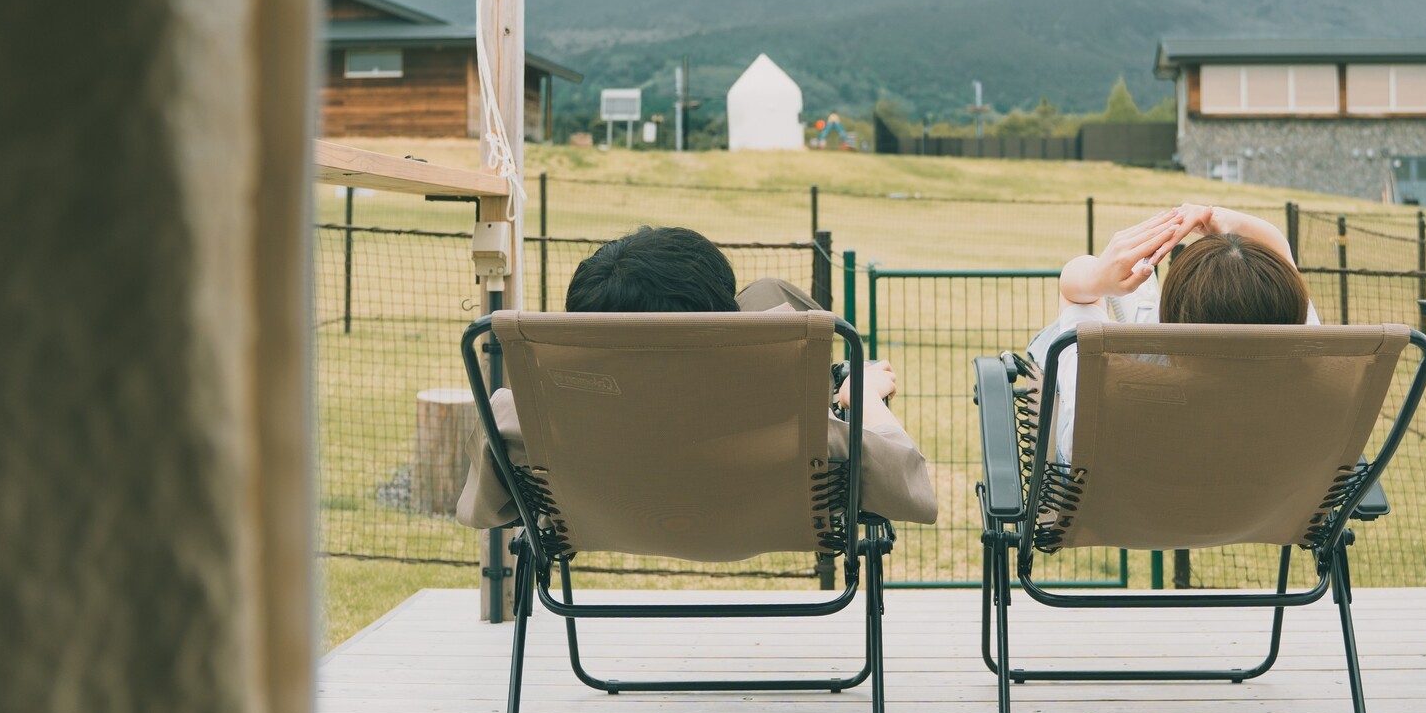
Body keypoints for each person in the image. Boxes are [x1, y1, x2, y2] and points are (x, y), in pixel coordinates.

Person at [457, 225, 937, 530]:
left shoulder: (521, 421)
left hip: (608, 515)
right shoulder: (803, 438)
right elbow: (910, 489)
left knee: (769, 295)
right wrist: (862, 395)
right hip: (767, 506)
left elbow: (487, 511)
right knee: (774, 297)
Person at [1027, 204, 1320, 463]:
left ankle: (1145, 301)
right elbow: (1281, 251)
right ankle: (1144, 305)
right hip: (1270, 522)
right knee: (1140, 313)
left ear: (1169, 323)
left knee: (1051, 342)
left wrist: (1097, 276)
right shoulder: (1317, 382)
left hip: (1125, 513)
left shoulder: (1106, 395)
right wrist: (1215, 216)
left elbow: (1077, 297)